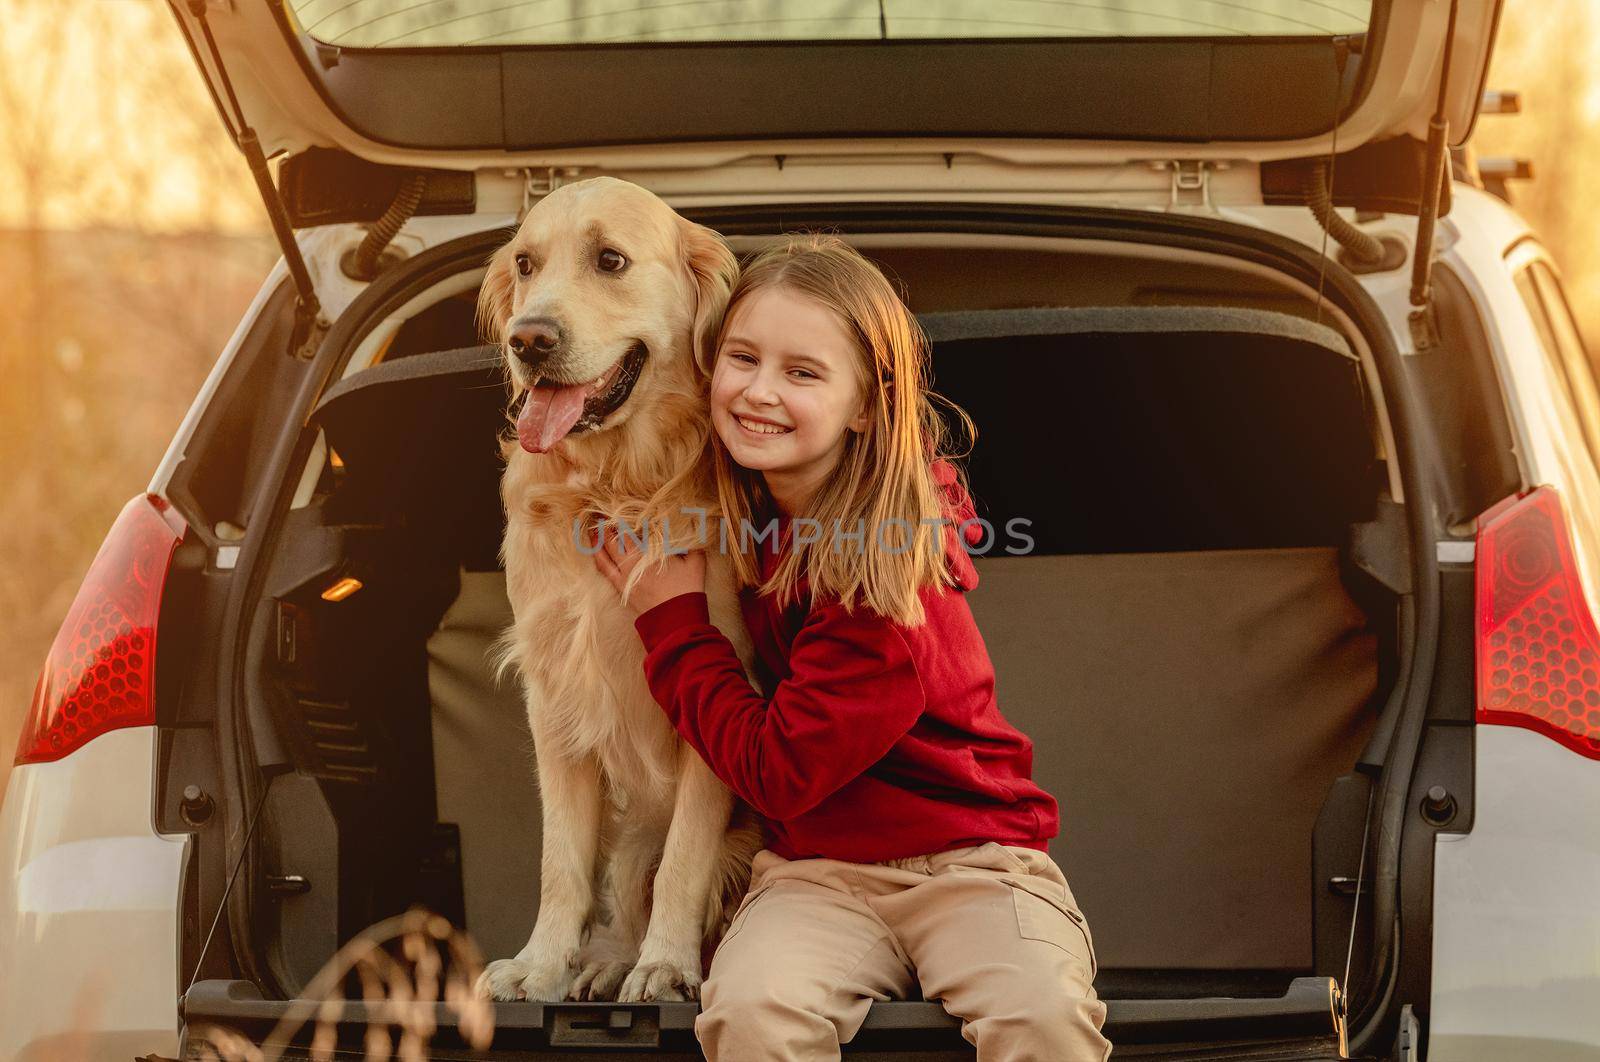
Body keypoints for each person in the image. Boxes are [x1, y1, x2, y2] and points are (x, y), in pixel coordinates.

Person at [588, 233, 1111, 1061]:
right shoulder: (747, 513)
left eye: (803, 373)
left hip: (971, 865)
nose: (760, 392)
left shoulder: (889, 574)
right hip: (816, 875)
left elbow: (779, 773)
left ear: (867, 404)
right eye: (742, 357)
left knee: (1041, 1018)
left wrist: (675, 625)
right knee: (752, 1016)